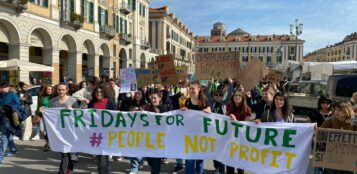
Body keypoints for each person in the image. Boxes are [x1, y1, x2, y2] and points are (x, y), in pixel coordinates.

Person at [40, 83, 79, 174]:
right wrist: (43, 111)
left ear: (67, 90)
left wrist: (73, 111)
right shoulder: (52, 101)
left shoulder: (73, 101)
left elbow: (79, 115)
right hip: (59, 131)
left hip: (71, 130)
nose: (61, 91)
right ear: (56, 90)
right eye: (59, 89)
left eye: (63, 89)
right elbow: (51, 116)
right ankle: (65, 170)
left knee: (69, 153)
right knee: (64, 153)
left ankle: (67, 169)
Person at [181, 81, 211, 174]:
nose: (191, 90)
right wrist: (184, 110)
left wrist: (206, 111)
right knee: (189, 158)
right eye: (190, 88)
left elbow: (210, 112)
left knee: (199, 157)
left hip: (201, 133)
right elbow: (184, 115)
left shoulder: (204, 100)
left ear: (198, 88)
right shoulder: (188, 101)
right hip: (190, 133)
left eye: (193, 88)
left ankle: (199, 171)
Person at [321, 101, 356, 174]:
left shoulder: (354, 124)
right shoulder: (329, 121)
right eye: (335, 109)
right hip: (332, 160)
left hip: (348, 161)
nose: (336, 112)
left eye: (340, 110)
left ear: (347, 110)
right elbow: (320, 135)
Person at [88, 87, 115, 174]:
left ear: (104, 92)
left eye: (100, 92)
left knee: (103, 158)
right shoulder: (92, 102)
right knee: (98, 158)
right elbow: (87, 115)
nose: (98, 93)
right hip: (95, 133)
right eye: (97, 92)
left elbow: (115, 115)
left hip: (106, 134)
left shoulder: (109, 102)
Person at [225, 90, 252, 174]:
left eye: (239, 96)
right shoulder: (229, 106)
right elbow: (224, 118)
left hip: (241, 138)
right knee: (229, 160)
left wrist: (236, 121)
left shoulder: (247, 109)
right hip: (230, 136)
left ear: (242, 98)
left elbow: (246, 124)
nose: (237, 97)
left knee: (240, 161)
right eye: (235, 95)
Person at [142, 90, 169, 174]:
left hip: (159, 139)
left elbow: (167, 123)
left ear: (159, 98)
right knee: (149, 159)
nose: (153, 100)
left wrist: (159, 115)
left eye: (155, 98)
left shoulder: (163, 108)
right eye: (152, 98)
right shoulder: (147, 107)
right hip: (149, 138)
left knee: (156, 159)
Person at [0, 82, 21, 163]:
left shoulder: (12, 95)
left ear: (8, 87)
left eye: (4, 88)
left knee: (4, 138)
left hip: (9, 119)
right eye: (2, 88)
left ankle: (0, 156)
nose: (3, 89)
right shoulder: (1, 94)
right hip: (1, 118)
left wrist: (9, 108)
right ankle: (13, 149)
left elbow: (18, 105)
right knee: (7, 136)